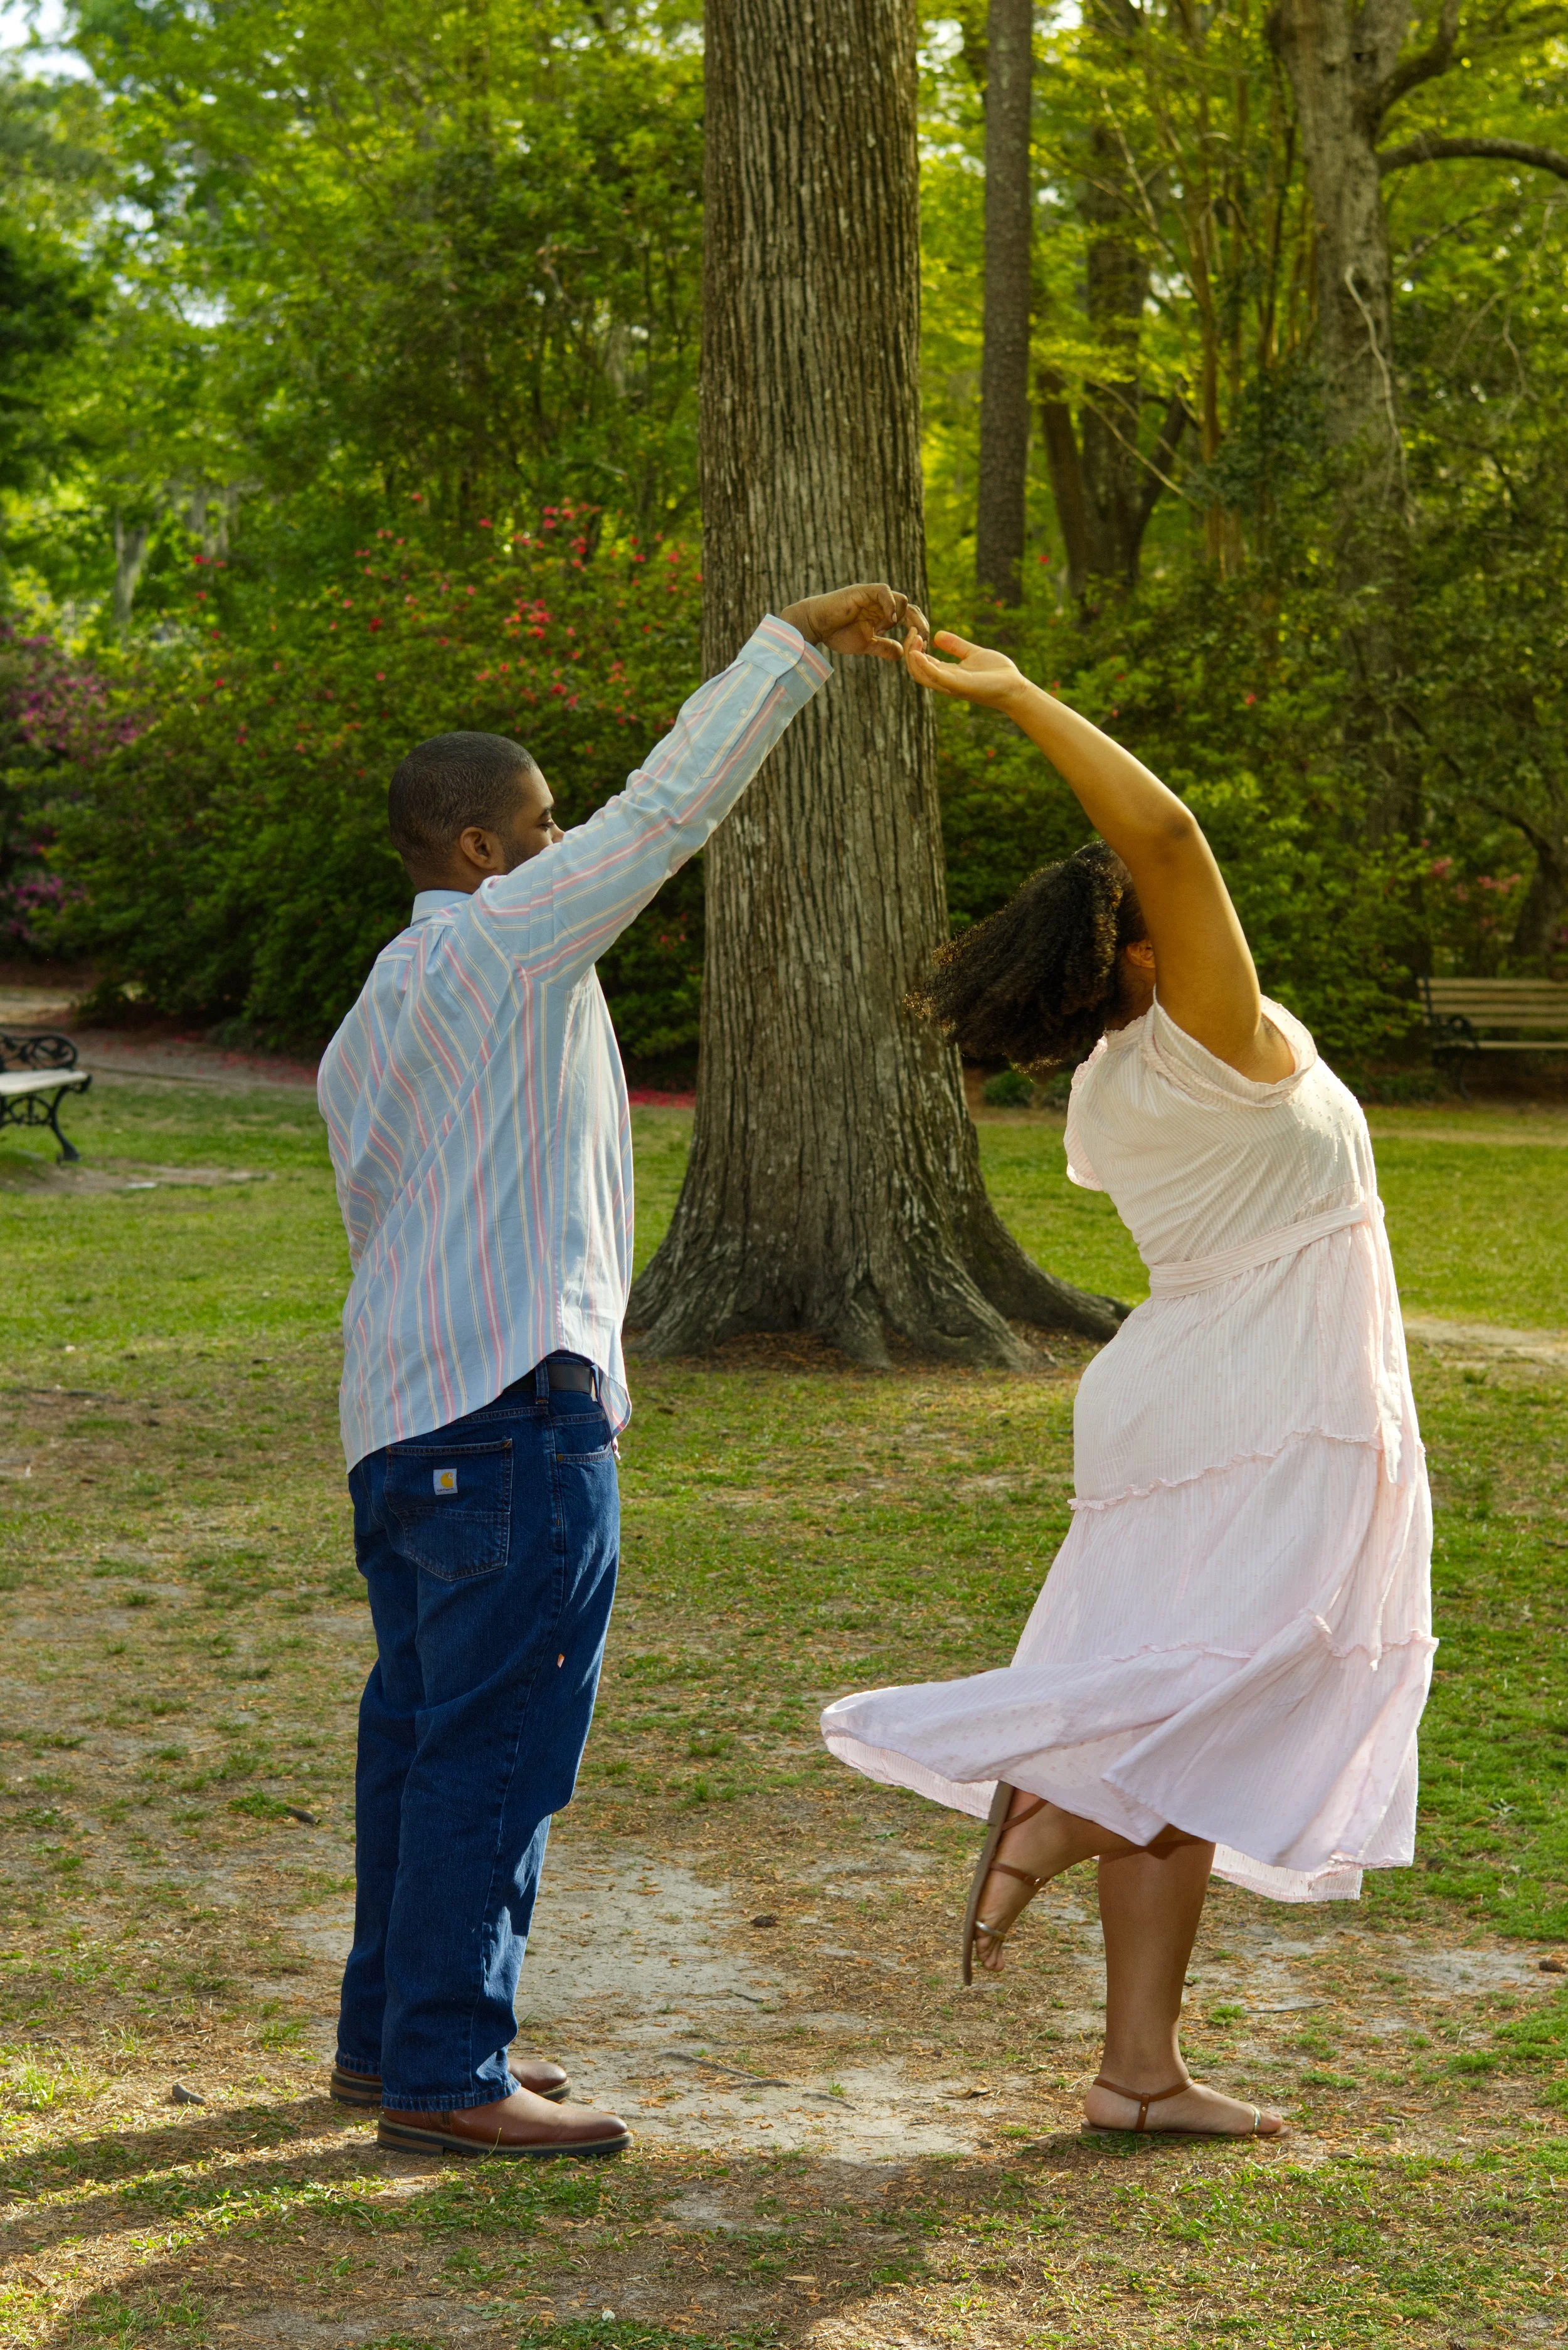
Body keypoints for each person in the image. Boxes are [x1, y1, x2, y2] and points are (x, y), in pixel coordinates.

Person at [318, 582, 929, 2157]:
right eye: (538, 822)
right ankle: (451, 2069)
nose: (563, 837)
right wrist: (788, 647)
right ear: (480, 850)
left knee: (421, 1732)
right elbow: (666, 808)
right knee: (493, 1743)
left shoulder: (381, 1006)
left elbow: (390, 1211)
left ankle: (394, 2041)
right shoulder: (508, 946)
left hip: (402, 1420)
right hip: (515, 1412)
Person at [822, 629, 1434, 2141]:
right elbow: (1162, 833)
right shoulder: (1213, 1040)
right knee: (1271, 1667)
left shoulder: (1111, 1085)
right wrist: (1019, 695)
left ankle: (1135, 2072)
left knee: (1199, 1693)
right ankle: (1062, 1807)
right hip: (1272, 1396)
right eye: (1173, 917)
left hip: (1181, 1391)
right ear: (1140, 951)